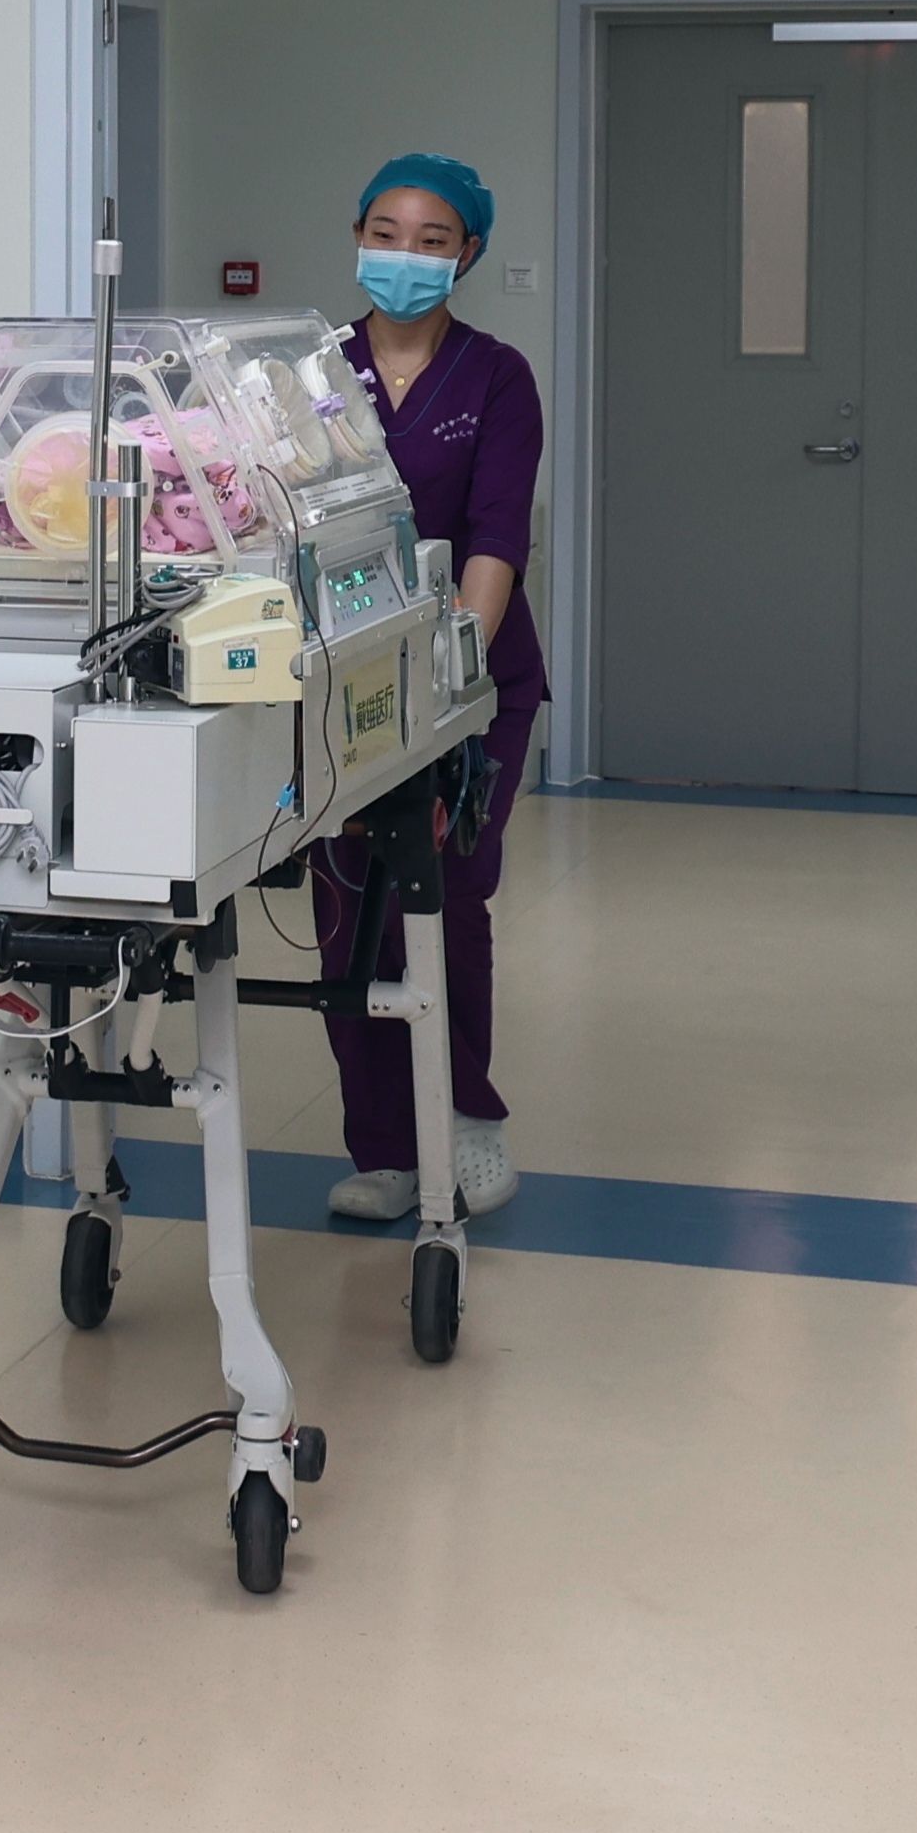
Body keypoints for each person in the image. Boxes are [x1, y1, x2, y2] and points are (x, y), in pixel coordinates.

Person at [319, 152, 546, 1222]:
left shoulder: (495, 376)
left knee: (445, 894)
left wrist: (453, 674)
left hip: (471, 676)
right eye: (385, 233)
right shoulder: (311, 375)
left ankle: (465, 1120)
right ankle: (384, 1147)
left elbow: (497, 535)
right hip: (341, 684)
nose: (402, 255)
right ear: (356, 236)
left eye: (431, 239)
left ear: (468, 254)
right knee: (346, 907)